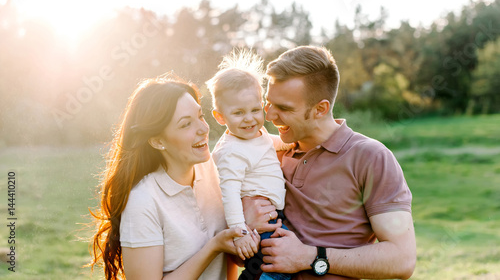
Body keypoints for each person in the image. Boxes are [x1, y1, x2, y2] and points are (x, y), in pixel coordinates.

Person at [242, 46, 416, 280]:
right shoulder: (264, 153)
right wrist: (246, 226)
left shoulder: (370, 157)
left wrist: (311, 257)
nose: (269, 115)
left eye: (284, 108)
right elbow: (236, 255)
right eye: (268, 102)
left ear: (320, 109)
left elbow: (401, 260)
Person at [88, 73, 259, 280]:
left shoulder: (213, 169)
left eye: (200, 116)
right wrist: (213, 247)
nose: (204, 129)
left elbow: (233, 258)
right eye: (186, 124)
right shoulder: (142, 201)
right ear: (158, 141)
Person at [207, 50, 293, 280]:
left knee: (270, 266)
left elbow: (269, 142)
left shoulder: (257, 133)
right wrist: (241, 233)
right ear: (220, 116)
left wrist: (290, 143)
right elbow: (230, 194)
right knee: (278, 269)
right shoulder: (230, 152)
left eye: (255, 110)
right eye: (238, 113)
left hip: (272, 215)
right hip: (256, 224)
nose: (249, 119)